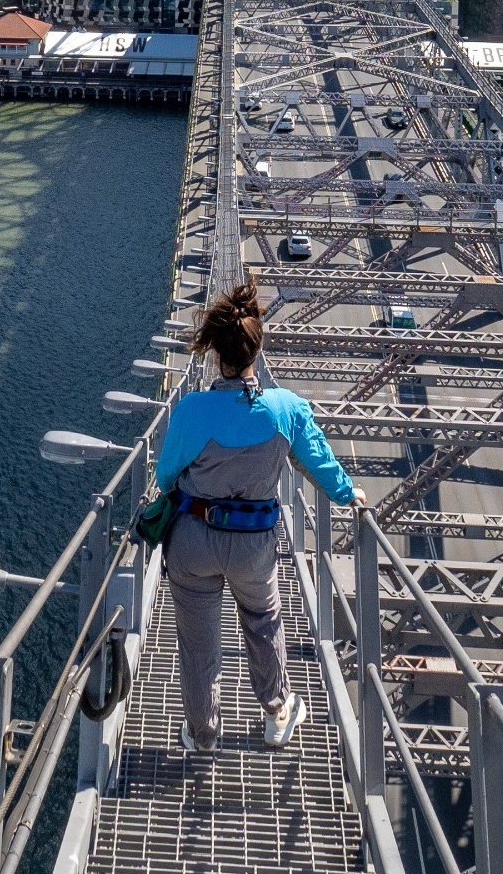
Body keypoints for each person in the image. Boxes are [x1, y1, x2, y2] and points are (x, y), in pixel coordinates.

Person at [152, 279, 357, 756]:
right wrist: (348, 494)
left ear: (215, 356)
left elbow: (166, 477)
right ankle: (277, 713)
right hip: (254, 544)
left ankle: (203, 735)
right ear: (256, 352)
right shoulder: (286, 409)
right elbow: (321, 465)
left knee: (199, 644)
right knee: (263, 623)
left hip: (194, 540)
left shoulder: (192, 409)